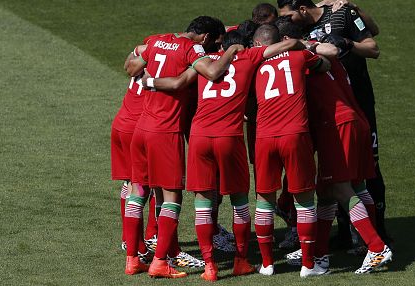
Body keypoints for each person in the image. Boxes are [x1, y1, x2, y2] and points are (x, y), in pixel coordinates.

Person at [147, 29, 305, 281]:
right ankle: (241, 260)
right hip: (229, 137)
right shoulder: (249, 56)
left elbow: (179, 81)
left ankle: (209, 266)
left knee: (203, 204)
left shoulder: (205, 61)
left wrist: (148, 81)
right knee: (239, 201)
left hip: (199, 137)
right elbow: (286, 46)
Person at [122, 16, 238, 278]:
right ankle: (160, 261)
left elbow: (131, 67)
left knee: (138, 191)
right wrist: (230, 51)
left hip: (141, 129)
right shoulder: (192, 49)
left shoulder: (158, 41)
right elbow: (212, 72)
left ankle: (132, 259)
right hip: (165, 132)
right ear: (206, 38)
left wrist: (148, 76)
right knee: (172, 197)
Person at [275, 18, 393, 274]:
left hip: (335, 125)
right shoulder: (319, 49)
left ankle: (376, 246)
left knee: (340, 188)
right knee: (335, 189)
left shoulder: (298, 58)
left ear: (285, 41)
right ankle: (319, 255)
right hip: (354, 119)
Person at [250, 24, 331, 277]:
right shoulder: (299, 55)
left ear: (258, 44)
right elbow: (325, 65)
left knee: (264, 201)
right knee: (304, 201)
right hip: (295, 134)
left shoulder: (252, 61)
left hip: (264, 136)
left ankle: (267, 264)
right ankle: (308, 265)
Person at [111, 37, 160, 258]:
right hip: (138, 130)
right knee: (149, 186)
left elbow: (129, 62)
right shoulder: (162, 67)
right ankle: (145, 239)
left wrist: (136, 49)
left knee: (130, 183)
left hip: (121, 124)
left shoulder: (140, 62)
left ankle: (129, 239)